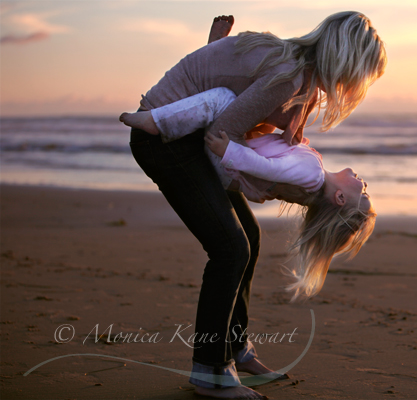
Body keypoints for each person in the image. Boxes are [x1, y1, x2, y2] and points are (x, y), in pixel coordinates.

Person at [127, 11, 386, 399]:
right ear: (347, 60)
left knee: (248, 235)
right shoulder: (289, 76)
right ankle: (210, 370)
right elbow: (221, 133)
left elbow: (227, 86)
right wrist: (256, 183)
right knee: (231, 249)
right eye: (361, 74)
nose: (355, 86)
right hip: (167, 139)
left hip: (195, 137)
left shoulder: (302, 81)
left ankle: (235, 347)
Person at [121, 87, 376, 299]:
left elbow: (266, 167)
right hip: (232, 161)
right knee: (241, 107)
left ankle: (156, 120)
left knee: (223, 99)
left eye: (363, 194)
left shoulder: (313, 175)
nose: (365, 185)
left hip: (227, 159)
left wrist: (228, 151)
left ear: (340, 198)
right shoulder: (313, 175)